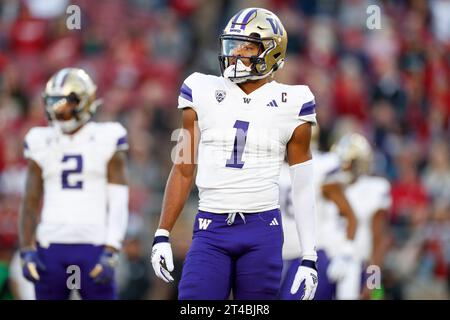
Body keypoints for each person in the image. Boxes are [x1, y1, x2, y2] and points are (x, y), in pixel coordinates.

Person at [151, 8, 318, 300]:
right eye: (234, 45)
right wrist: (163, 232)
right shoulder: (201, 89)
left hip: (262, 231)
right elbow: (183, 167)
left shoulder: (294, 101)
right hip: (210, 228)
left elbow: (302, 186)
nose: (236, 54)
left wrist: (309, 255)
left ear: (271, 52)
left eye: (248, 47)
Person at [19, 68, 129, 300]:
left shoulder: (105, 137)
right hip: (50, 244)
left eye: (67, 102)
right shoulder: (41, 140)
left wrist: (112, 248)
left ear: (85, 101)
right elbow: (30, 200)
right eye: (54, 102)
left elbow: (118, 199)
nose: (60, 109)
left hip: (94, 243)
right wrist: (27, 248)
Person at [278, 127, 357, 300]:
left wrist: (346, 252)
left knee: (367, 293)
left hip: (313, 255)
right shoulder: (272, 167)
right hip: (278, 254)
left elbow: (350, 215)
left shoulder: (319, 167)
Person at [331, 133, 391, 299]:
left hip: (361, 268)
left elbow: (379, 240)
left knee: (376, 297)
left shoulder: (374, 189)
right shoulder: (329, 187)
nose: (343, 167)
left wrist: (373, 281)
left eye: (348, 162)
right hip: (328, 265)